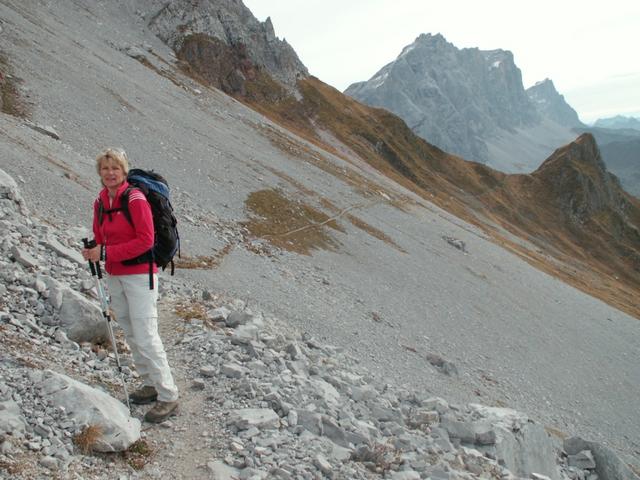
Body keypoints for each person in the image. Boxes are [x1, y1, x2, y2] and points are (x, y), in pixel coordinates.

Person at [81, 148, 179, 423]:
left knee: (146, 333)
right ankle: (149, 384)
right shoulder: (101, 201)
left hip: (140, 274)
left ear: (124, 172)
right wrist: (95, 251)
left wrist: (106, 253)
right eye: (105, 169)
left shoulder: (135, 199)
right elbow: (101, 238)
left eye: (115, 169)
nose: (110, 173)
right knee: (129, 328)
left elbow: (146, 240)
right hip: (115, 274)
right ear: (99, 173)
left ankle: (169, 395)